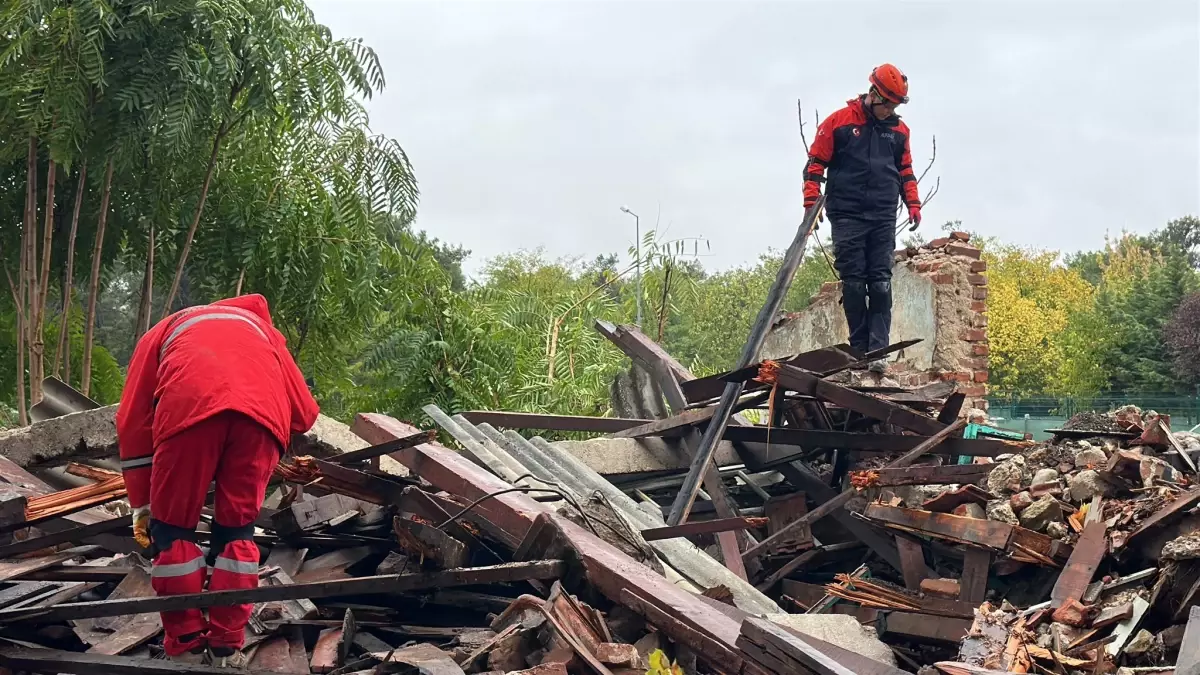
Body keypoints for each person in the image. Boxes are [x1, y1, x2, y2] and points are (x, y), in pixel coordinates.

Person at [117, 294, 319, 664]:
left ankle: (185, 640)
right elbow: (305, 414)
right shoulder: (265, 332)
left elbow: (131, 420)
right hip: (260, 423)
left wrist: (142, 504)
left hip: (189, 414)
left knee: (173, 532)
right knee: (236, 532)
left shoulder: (165, 330)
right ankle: (227, 638)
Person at [802, 63, 921, 373]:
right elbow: (814, 166)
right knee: (854, 284)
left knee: (880, 283)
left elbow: (906, 169)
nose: (891, 110)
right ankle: (859, 350)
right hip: (847, 215)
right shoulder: (838, 124)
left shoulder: (899, 132)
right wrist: (810, 206)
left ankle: (878, 353)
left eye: (896, 105)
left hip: (882, 215)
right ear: (874, 95)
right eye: (889, 104)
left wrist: (913, 203)